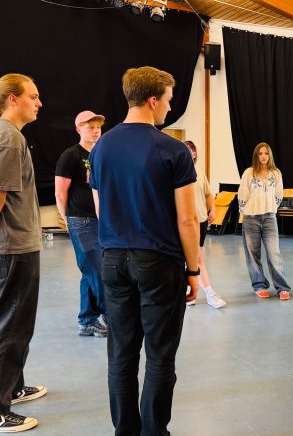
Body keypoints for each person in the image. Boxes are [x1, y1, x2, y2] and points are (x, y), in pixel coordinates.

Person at [88, 66, 200, 435]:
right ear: (153, 100)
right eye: (168, 99)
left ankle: (125, 431)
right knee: (159, 355)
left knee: (121, 354)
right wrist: (193, 270)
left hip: (113, 259)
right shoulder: (172, 150)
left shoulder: (101, 148)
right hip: (158, 262)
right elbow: (188, 219)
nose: (170, 106)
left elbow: (101, 209)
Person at [0, 74, 47, 432]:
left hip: (16, 244)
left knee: (17, 323)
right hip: (12, 246)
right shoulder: (8, 137)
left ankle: (12, 388)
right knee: (10, 325)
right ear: (12, 99)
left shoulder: (7, 134)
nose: (39, 103)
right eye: (33, 97)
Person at [55, 110, 108, 337]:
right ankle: (113, 315)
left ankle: (87, 321)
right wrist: (69, 221)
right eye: (90, 127)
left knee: (89, 272)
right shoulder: (71, 156)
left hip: (100, 221)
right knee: (98, 272)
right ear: (78, 129)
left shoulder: (100, 154)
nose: (95, 131)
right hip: (81, 222)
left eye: (98, 127)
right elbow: (60, 193)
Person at [237, 142, 291, 300]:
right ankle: (259, 285)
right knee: (253, 255)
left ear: (270, 155)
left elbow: (279, 195)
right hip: (251, 219)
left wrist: (271, 207)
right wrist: (246, 211)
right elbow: (242, 195)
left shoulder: (276, 173)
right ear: (256, 155)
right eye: (260, 153)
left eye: (266, 153)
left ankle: (282, 288)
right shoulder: (249, 173)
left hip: (269, 218)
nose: (263, 156)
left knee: (274, 253)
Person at [183, 140, 226, 309]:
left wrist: (212, 209)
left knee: (193, 259)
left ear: (194, 154)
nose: (189, 153)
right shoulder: (175, 173)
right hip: (184, 224)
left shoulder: (200, 173)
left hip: (200, 222)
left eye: (191, 150)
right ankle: (209, 293)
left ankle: (190, 294)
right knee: (196, 259)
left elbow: (208, 194)